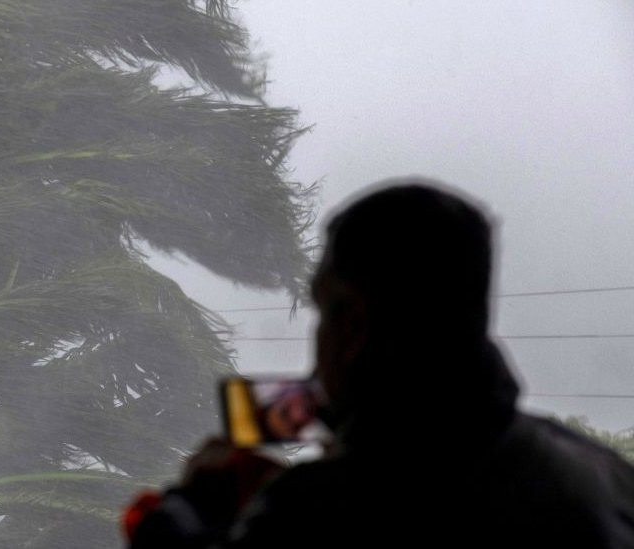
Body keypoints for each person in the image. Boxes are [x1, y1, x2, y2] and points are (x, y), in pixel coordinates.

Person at [127, 178, 634, 548]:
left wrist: (188, 508)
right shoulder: (601, 470)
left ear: (353, 322)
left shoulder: (316, 511)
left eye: (322, 309)